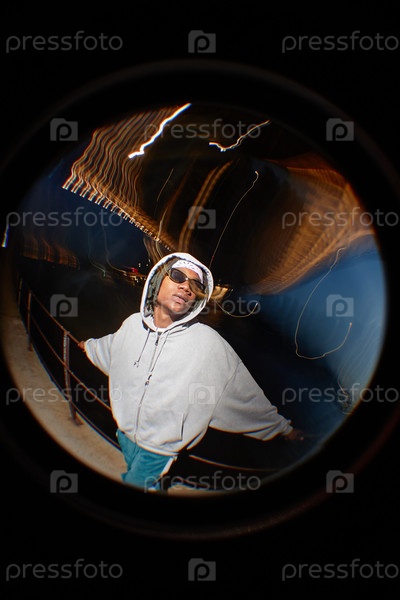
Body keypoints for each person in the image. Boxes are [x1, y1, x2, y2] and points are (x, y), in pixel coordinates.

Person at [78, 252, 302, 491]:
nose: (186, 287)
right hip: (123, 431)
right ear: (157, 281)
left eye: (195, 286)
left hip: (159, 449)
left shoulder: (208, 343)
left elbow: (241, 392)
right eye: (178, 276)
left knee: (135, 484)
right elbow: (112, 348)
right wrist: (88, 346)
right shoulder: (132, 324)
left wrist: (284, 429)